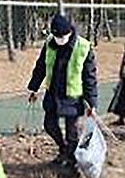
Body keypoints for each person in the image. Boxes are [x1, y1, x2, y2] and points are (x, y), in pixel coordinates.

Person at [27, 14, 98, 167]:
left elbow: (89, 78)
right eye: (56, 36)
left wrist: (91, 103)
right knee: (49, 125)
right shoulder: (49, 44)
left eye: (62, 36)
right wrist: (33, 88)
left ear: (70, 32)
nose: (60, 39)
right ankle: (63, 150)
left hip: (73, 97)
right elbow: (41, 67)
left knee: (72, 133)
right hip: (53, 94)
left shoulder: (84, 47)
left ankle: (72, 162)